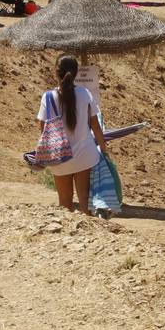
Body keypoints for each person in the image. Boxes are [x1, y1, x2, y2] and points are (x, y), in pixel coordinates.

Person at [38, 54, 107, 213]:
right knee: (84, 199)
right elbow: (96, 126)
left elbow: (42, 127)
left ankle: (69, 235)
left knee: (64, 202)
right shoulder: (85, 94)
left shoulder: (48, 97)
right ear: (76, 73)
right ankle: (88, 235)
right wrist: (104, 150)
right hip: (85, 155)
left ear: (56, 72)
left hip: (60, 157)